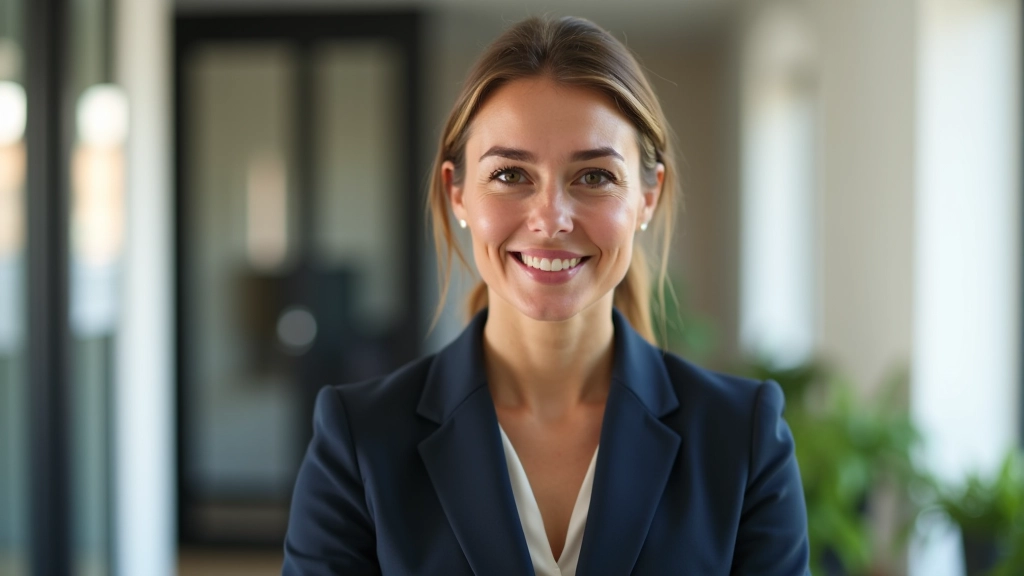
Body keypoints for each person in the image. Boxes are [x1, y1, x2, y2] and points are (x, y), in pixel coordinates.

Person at [283, 15, 809, 576]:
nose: (550, 220)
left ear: (648, 197)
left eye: (595, 177)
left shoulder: (743, 440)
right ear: (457, 193)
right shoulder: (359, 442)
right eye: (511, 175)